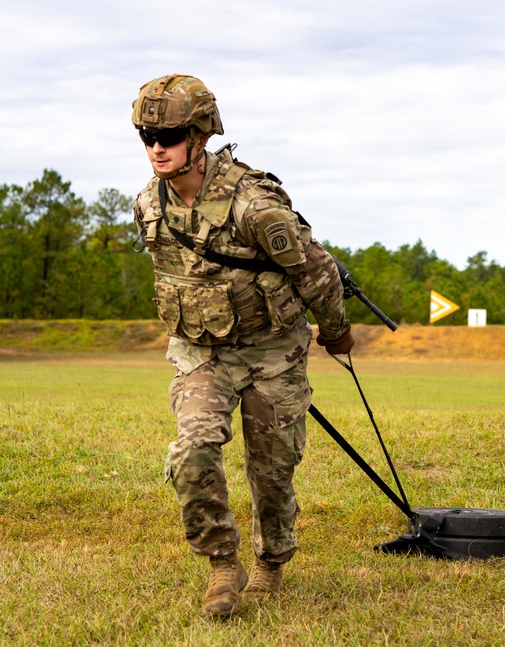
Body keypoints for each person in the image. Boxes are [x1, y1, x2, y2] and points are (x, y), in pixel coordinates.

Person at [130, 74, 354, 618]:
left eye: (171, 134)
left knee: (272, 471)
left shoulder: (253, 204)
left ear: (201, 134)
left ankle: (271, 561)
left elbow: (315, 269)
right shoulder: (148, 206)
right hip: (202, 353)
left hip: (272, 352)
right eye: (146, 136)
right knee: (193, 449)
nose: (157, 147)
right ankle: (222, 564)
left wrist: (336, 330)